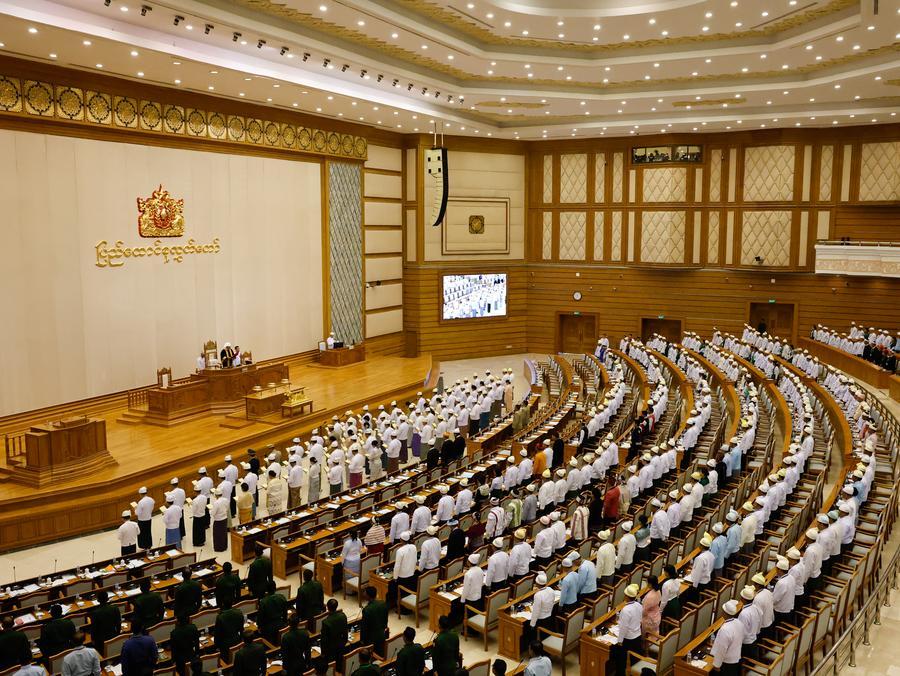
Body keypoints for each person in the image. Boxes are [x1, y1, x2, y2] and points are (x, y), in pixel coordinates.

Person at [613, 584, 642, 676]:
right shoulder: (638, 605)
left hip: (628, 639)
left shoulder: (626, 610)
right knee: (634, 659)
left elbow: (623, 627)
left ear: (626, 596)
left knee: (621, 659)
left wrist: (620, 641)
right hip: (637, 636)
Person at [710, 600, 745, 676]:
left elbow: (721, 649)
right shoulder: (738, 622)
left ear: (724, 613)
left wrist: (717, 665)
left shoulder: (724, 629)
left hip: (726, 664)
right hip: (736, 659)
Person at [88, 591, 121, 657]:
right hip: (113, 636)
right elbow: (118, 623)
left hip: (100, 641)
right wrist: (117, 634)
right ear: (107, 599)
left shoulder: (95, 613)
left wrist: (92, 639)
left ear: (98, 600)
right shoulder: (115, 609)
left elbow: (94, 628)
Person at [360, 587, 389, 657]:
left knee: (371, 656)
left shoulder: (367, 610)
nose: (363, 594)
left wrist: (362, 639)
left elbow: (364, 627)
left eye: (365, 593)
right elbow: (385, 619)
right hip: (382, 634)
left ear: (368, 596)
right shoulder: (383, 603)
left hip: (371, 639)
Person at [320, 599, 348, 667]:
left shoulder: (326, 622)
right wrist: (344, 642)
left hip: (330, 649)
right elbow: (345, 630)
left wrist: (323, 652)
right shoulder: (343, 616)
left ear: (327, 607)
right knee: (339, 663)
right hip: (341, 644)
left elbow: (324, 640)